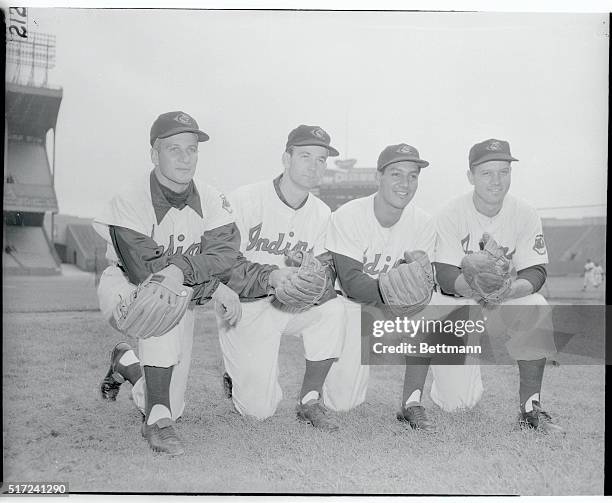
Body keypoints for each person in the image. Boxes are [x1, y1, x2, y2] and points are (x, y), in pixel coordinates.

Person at [95, 111, 283, 455]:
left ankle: (126, 365)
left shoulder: (212, 198)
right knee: (160, 299)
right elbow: (145, 271)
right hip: (125, 286)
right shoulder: (130, 198)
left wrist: (269, 277)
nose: (185, 158)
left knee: (172, 396)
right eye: (174, 149)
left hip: (182, 293)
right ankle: (157, 421)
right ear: (155, 154)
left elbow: (225, 257)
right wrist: (210, 286)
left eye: (192, 149)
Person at [322, 143, 481, 432]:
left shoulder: (422, 223)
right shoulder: (348, 215)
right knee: (341, 403)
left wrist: (414, 296)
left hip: (398, 308)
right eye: (396, 174)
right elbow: (352, 281)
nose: (405, 183)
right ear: (378, 177)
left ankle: (412, 403)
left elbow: (422, 284)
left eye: (412, 176)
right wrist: (395, 294)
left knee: (438, 312)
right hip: (353, 307)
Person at [217, 125, 347, 431]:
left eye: (321, 159)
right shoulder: (246, 199)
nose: (314, 165)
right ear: (285, 159)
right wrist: (271, 276)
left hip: (290, 306)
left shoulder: (321, 213)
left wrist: (315, 277)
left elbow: (324, 275)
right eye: (305, 156)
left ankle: (310, 401)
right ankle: (238, 376)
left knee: (334, 309)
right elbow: (222, 263)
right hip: (245, 305)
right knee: (258, 411)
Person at [432, 138, 563, 433]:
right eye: (487, 173)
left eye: (504, 172)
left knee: (535, 306)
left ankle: (530, 409)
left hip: (503, 298)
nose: (497, 180)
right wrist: (483, 290)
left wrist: (505, 291)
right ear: (471, 176)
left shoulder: (525, 212)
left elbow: (535, 272)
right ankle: (461, 370)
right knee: (456, 403)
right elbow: (443, 275)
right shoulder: (450, 213)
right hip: (459, 302)